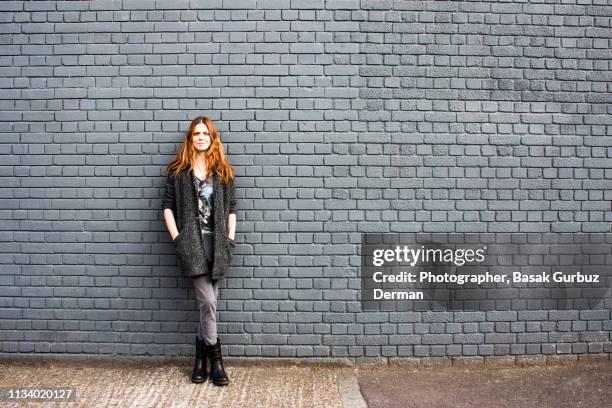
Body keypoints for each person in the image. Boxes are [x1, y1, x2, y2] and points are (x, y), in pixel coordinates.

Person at [161, 116, 236, 386]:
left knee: (208, 307)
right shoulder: (179, 172)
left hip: (217, 245)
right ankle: (217, 362)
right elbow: (167, 207)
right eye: (196, 133)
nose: (201, 137)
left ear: (212, 137)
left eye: (206, 133)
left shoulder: (223, 171)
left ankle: (199, 360)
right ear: (190, 138)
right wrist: (178, 238)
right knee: (208, 302)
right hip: (192, 244)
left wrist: (229, 239)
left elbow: (231, 209)